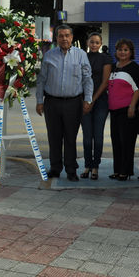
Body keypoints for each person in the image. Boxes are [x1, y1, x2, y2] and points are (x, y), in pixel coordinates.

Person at [36, 24, 93, 181]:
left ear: (72, 37)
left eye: (67, 35)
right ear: (56, 38)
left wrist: (88, 99)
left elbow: (88, 79)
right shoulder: (48, 55)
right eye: (61, 36)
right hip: (52, 103)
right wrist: (39, 101)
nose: (64, 39)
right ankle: (55, 168)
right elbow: (41, 80)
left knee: (70, 138)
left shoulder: (81, 55)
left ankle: (71, 170)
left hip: (73, 103)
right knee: (54, 137)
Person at [108, 38, 139, 181]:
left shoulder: (134, 68)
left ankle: (126, 171)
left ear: (130, 52)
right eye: (120, 49)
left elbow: (138, 89)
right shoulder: (113, 67)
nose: (122, 52)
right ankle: (117, 170)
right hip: (114, 111)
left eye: (125, 50)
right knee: (116, 141)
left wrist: (132, 106)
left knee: (126, 142)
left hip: (127, 111)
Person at [80, 33, 112, 180]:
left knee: (98, 137)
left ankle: (95, 167)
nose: (94, 45)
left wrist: (92, 100)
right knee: (87, 137)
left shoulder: (105, 58)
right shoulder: (82, 56)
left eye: (97, 42)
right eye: (92, 42)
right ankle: (87, 165)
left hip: (100, 101)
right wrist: (86, 100)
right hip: (84, 101)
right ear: (87, 42)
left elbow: (105, 82)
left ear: (100, 44)